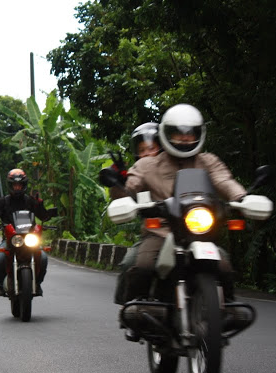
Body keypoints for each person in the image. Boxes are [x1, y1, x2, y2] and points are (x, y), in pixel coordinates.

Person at [100, 104, 245, 303]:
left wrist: (242, 198)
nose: (185, 138)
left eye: (190, 133)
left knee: (225, 267)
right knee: (142, 266)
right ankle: (136, 310)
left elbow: (224, 181)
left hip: (198, 230)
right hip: (161, 230)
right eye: (179, 133)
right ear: (167, 134)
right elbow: (129, 189)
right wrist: (117, 182)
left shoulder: (208, 161)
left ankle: (225, 310)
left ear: (199, 134)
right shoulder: (147, 164)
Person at [106, 122, 161, 305]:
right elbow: (124, 195)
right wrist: (119, 181)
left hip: (188, 230)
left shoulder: (177, 165)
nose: (147, 153)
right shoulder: (136, 173)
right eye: (142, 149)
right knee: (130, 264)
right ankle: (129, 310)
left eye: (151, 148)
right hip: (155, 232)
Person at [0, 169, 58, 297]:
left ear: (24, 185)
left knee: (42, 257)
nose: (17, 188)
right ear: (10, 185)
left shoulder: (30, 201)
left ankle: (37, 283)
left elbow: (43, 216)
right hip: (10, 239)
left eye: (19, 185)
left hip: (30, 238)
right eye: (15, 185)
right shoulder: (3, 201)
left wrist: (40, 204)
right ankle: (1, 285)